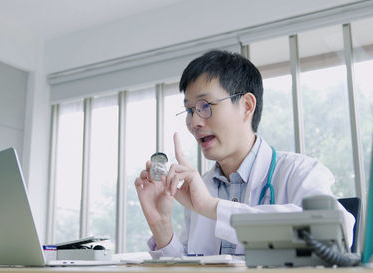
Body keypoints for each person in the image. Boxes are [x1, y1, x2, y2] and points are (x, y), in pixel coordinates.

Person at [134, 50, 355, 258]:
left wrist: (212, 207)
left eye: (204, 105)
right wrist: (161, 225)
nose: (194, 122)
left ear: (247, 106)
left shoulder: (300, 172)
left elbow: (335, 233)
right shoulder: (201, 187)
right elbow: (190, 267)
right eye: (190, 110)